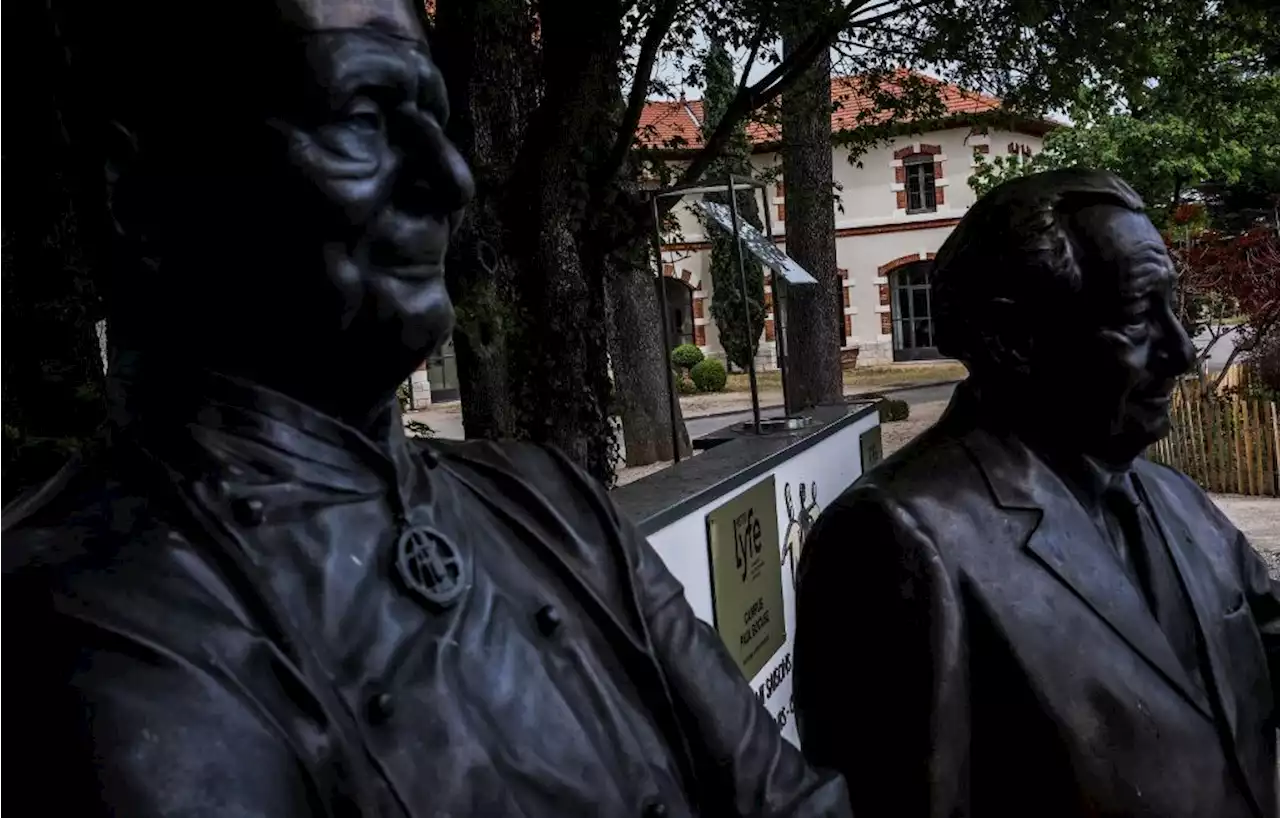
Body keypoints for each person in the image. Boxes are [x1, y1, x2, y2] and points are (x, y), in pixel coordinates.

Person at [0, 0, 851, 815]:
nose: (448, 178)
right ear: (143, 186)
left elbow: (786, 797)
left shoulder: (546, 506)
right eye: (362, 115)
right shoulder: (77, 616)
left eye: (435, 119)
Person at [793, 168, 1280, 818]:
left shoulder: (1170, 496)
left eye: (1176, 310)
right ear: (1013, 338)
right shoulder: (895, 541)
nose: (1183, 351)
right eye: (1139, 316)